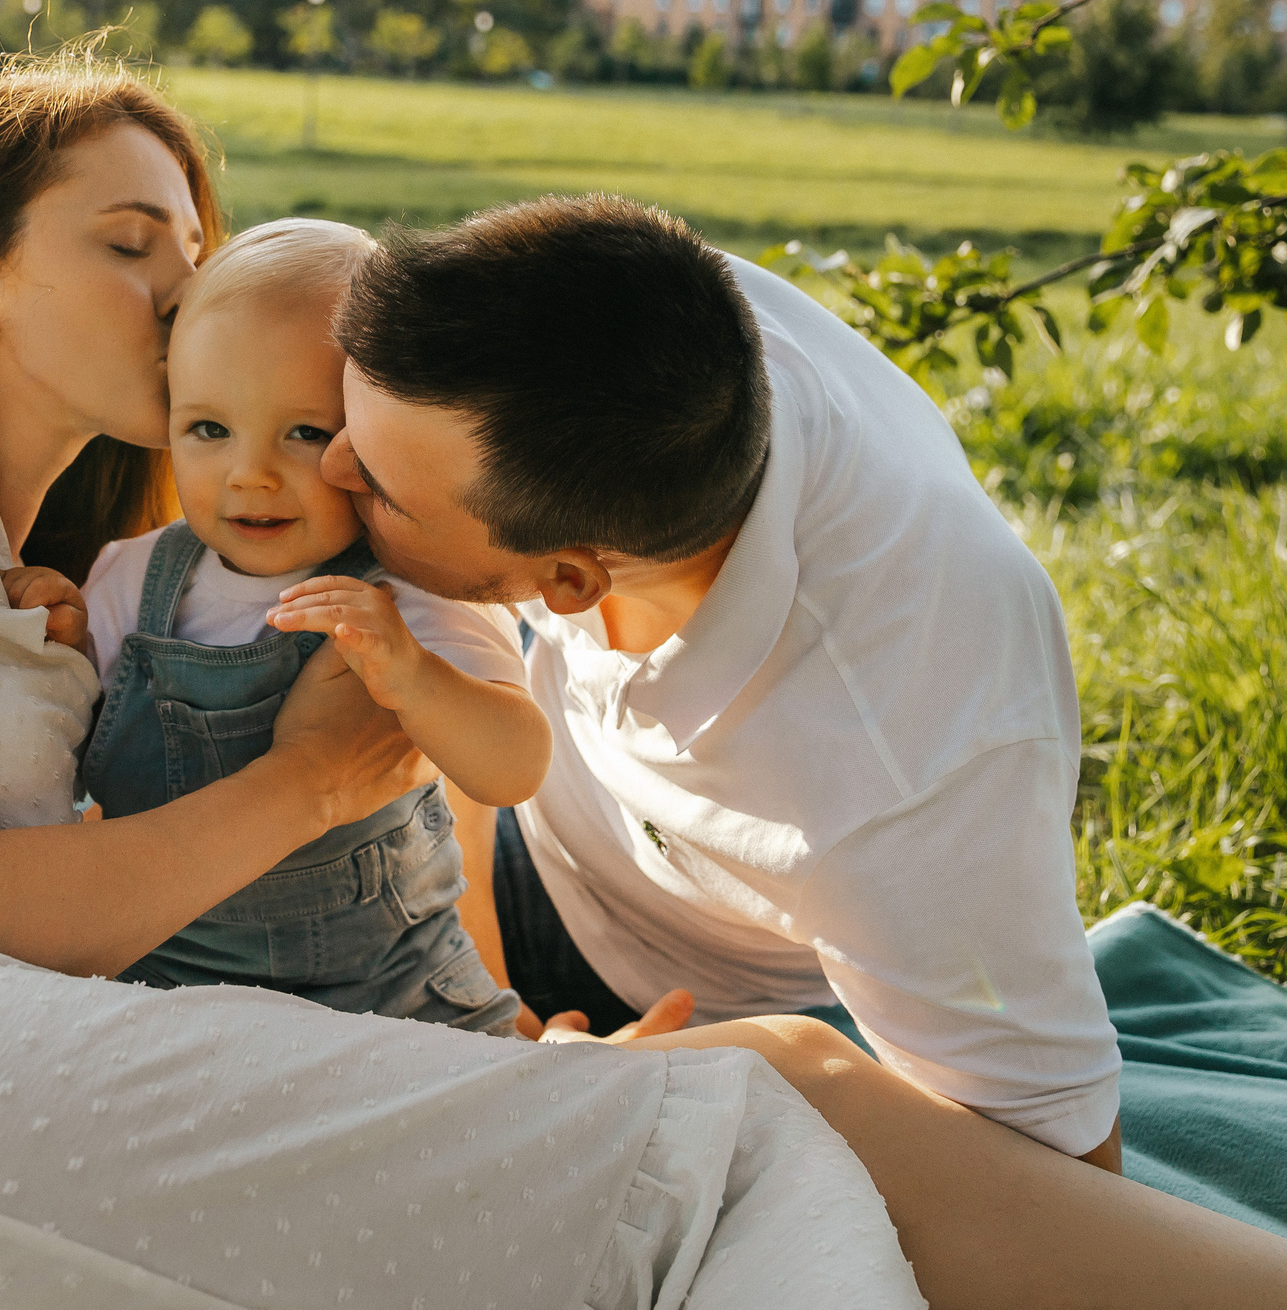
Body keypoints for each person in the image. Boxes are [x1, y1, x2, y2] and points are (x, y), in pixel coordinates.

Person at [0, 54, 1287, 1310]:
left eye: (203, 251)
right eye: (128, 244)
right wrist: (315, 785)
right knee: (744, 1125)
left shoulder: (60, 569)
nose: (190, 295)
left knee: (700, 1116)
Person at [323, 192, 1117, 1165]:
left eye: (378, 485)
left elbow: (1060, 1163)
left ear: (567, 579)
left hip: (650, 987)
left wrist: (597, 1087)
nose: (328, 465)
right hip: (529, 813)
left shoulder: (890, 774)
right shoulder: (650, 322)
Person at [78, 217, 547, 1034]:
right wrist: (44, 636)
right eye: (209, 429)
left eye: (304, 432)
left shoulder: (410, 587)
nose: (250, 473)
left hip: (400, 994)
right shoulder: (130, 579)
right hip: (168, 988)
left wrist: (413, 676)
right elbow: (58, 765)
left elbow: (515, 766)